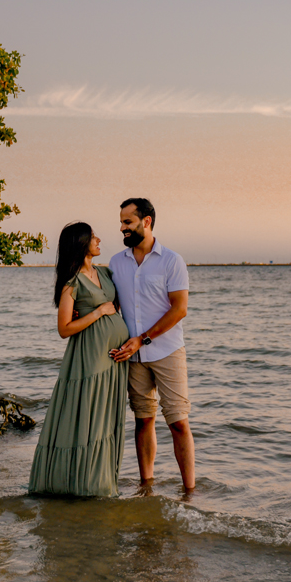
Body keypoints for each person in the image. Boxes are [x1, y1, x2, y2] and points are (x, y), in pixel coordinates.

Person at [29, 222, 130, 497]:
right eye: (93, 236)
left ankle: (103, 478)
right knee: (90, 415)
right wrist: (98, 313)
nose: (99, 239)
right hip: (90, 358)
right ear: (81, 243)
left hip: (114, 361)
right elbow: (64, 329)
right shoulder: (71, 282)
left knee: (107, 417)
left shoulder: (105, 272)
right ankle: (84, 483)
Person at [108, 198, 195, 492]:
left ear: (146, 221)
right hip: (132, 357)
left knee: (178, 422)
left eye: (127, 222)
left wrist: (142, 339)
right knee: (143, 420)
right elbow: (113, 305)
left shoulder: (172, 260)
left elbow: (179, 309)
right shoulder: (117, 263)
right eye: (121, 222)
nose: (122, 228)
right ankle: (146, 487)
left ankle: (189, 491)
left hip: (168, 351)